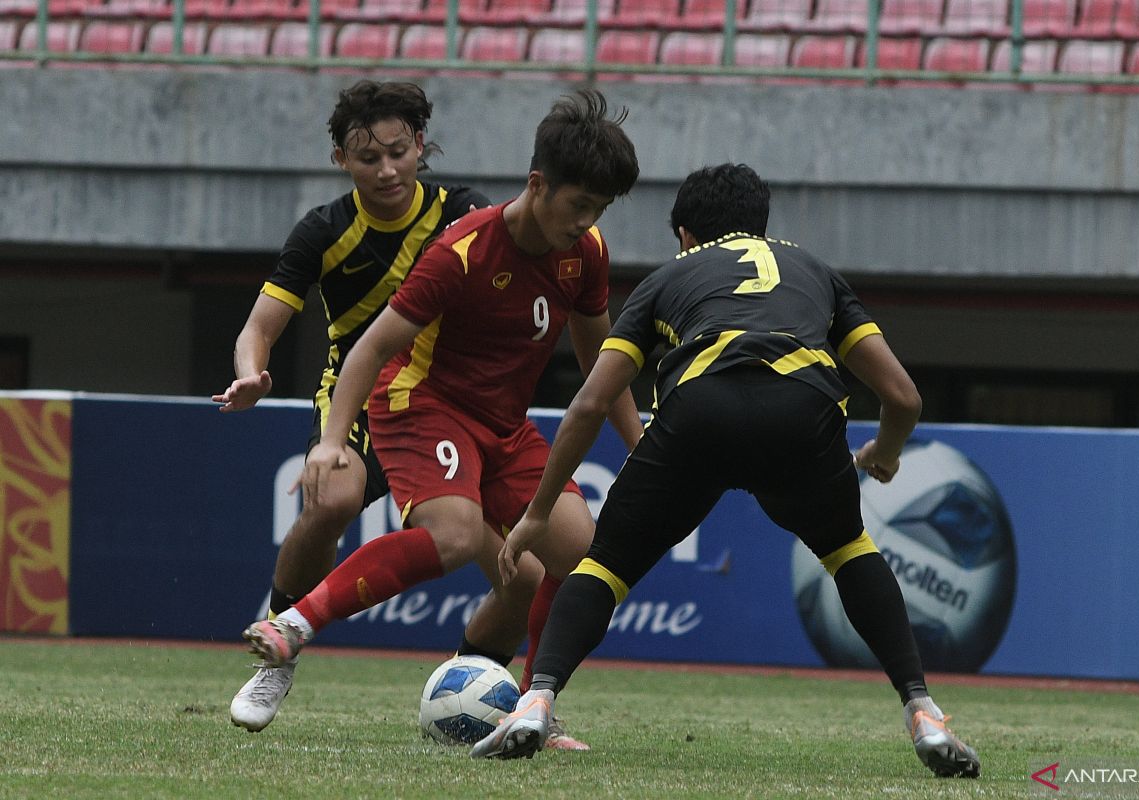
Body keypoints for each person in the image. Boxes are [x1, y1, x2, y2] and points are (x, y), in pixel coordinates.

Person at [470, 164, 982, 779]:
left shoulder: (670, 277)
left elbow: (591, 402)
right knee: (850, 552)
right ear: (761, 225)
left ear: (684, 233)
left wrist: (538, 513)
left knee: (604, 566)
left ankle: (536, 700)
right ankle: (923, 710)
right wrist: (886, 453)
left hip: (699, 413)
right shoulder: (815, 271)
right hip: (804, 414)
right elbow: (903, 397)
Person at [239, 89, 644, 749]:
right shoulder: (463, 250)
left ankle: (532, 705)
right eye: (580, 205)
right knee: (452, 535)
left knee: (581, 556)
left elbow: (604, 359)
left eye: (600, 209)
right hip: (422, 401)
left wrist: (640, 446)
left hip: (503, 425)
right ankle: (294, 625)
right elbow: (371, 347)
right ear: (538, 184)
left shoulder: (586, 251)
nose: (588, 221)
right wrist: (332, 442)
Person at [214, 79, 544, 734]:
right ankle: (282, 644)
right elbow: (258, 328)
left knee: (526, 573)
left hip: (450, 402)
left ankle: (486, 689)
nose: (387, 169)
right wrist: (250, 375)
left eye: (399, 151)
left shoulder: (463, 213)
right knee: (332, 499)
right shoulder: (324, 230)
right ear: (342, 159)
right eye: (369, 158)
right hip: (361, 400)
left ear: (421, 145)